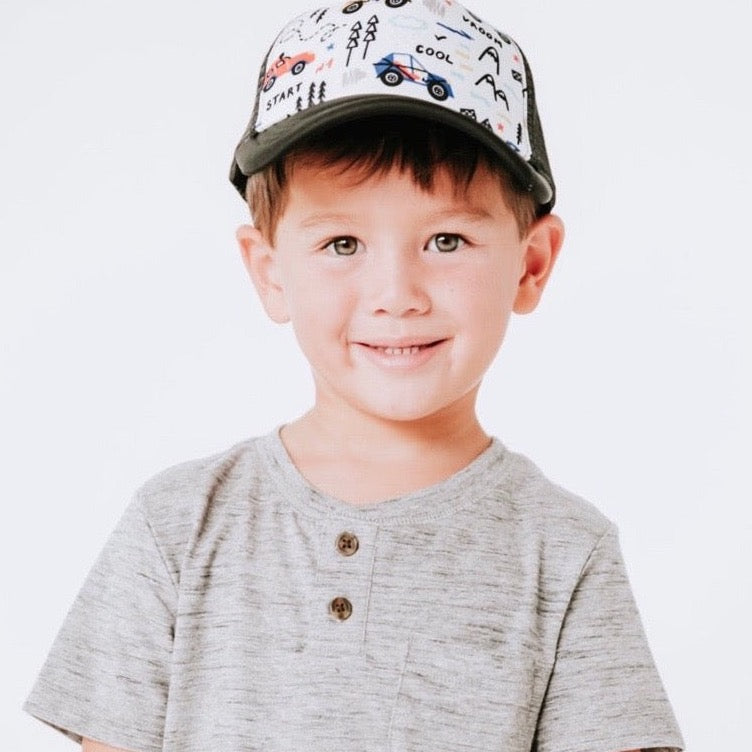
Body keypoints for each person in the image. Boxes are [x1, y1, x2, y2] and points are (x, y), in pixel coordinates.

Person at [24, 1, 684, 750]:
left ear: (531, 265)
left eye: (446, 238)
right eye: (342, 243)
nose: (396, 293)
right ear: (269, 273)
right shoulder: (177, 525)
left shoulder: (566, 552)